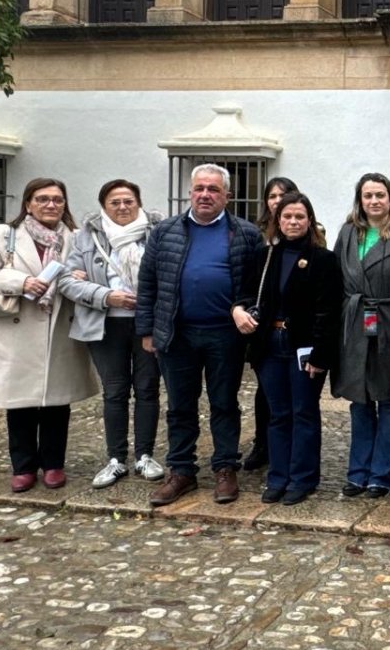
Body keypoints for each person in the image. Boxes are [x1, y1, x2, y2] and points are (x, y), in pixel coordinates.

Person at [138, 163, 264, 507]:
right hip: (178, 334)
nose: (205, 195)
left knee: (224, 403)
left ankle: (225, 467)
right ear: (190, 192)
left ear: (227, 196)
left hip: (225, 336)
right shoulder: (165, 232)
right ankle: (181, 470)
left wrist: (245, 311)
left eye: (213, 189)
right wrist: (147, 329)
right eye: (199, 188)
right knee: (180, 406)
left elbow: (256, 288)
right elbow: (148, 282)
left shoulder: (246, 233)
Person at [0, 178, 97, 492]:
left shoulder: (77, 238)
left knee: (57, 402)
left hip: (60, 329)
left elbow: (93, 272)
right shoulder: (3, 235)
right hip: (18, 328)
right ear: (28, 204)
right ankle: (23, 466)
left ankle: (53, 464)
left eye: (57, 200)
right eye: (42, 199)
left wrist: (79, 276)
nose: (51, 205)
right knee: (20, 402)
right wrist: (21, 282)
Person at [232, 192, 340, 505]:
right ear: (277, 221)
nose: (293, 222)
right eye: (287, 217)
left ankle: (302, 478)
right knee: (277, 414)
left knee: (303, 412)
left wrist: (321, 355)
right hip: (269, 344)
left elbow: (328, 312)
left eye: (299, 217)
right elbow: (245, 294)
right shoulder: (264, 256)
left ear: (310, 221)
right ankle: (278, 476)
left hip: (303, 347)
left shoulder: (323, 259)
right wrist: (239, 311)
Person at [58, 179, 167, 489]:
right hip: (105, 323)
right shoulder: (85, 238)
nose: (122, 207)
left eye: (128, 201)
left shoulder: (157, 233)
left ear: (139, 203)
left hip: (147, 322)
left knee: (147, 388)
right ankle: (116, 459)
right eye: (115, 202)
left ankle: (145, 455)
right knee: (115, 390)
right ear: (104, 206)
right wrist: (107, 296)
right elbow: (66, 281)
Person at [332, 173, 390, 498]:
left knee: (389, 400)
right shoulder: (348, 232)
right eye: (368, 195)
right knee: (359, 400)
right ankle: (357, 473)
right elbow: (337, 279)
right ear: (360, 199)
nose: (374, 201)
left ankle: (381, 475)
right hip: (355, 323)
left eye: (380, 195)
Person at [244, 176, 301, 471]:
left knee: (293, 395)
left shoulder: (305, 229)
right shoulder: (257, 235)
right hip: (264, 324)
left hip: (292, 325)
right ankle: (262, 443)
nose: (277, 200)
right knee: (265, 392)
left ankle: (288, 446)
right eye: (272, 195)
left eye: (283, 194)